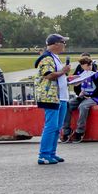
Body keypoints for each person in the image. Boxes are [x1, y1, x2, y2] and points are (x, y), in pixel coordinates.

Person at [34, 33, 70, 165]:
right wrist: (63, 71)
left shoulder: (55, 57)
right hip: (50, 96)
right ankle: (44, 154)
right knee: (51, 126)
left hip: (61, 96)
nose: (65, 45)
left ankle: (51, 153)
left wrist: (67, 78)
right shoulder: (47, 58)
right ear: (55, 44)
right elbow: (48, 75)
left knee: (57, 127)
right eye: (63, 42)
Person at [62, 55, 98, 143]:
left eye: (87, 68)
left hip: (95, 97)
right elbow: (77, 87)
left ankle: (80, 131)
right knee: (67, 105)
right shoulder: (81, 73)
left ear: (90, 65)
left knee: (83, 106)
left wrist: (89, 95)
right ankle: (66, 130)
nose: (86, 70)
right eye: (83, 68)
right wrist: (79, 93)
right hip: (82, 96)